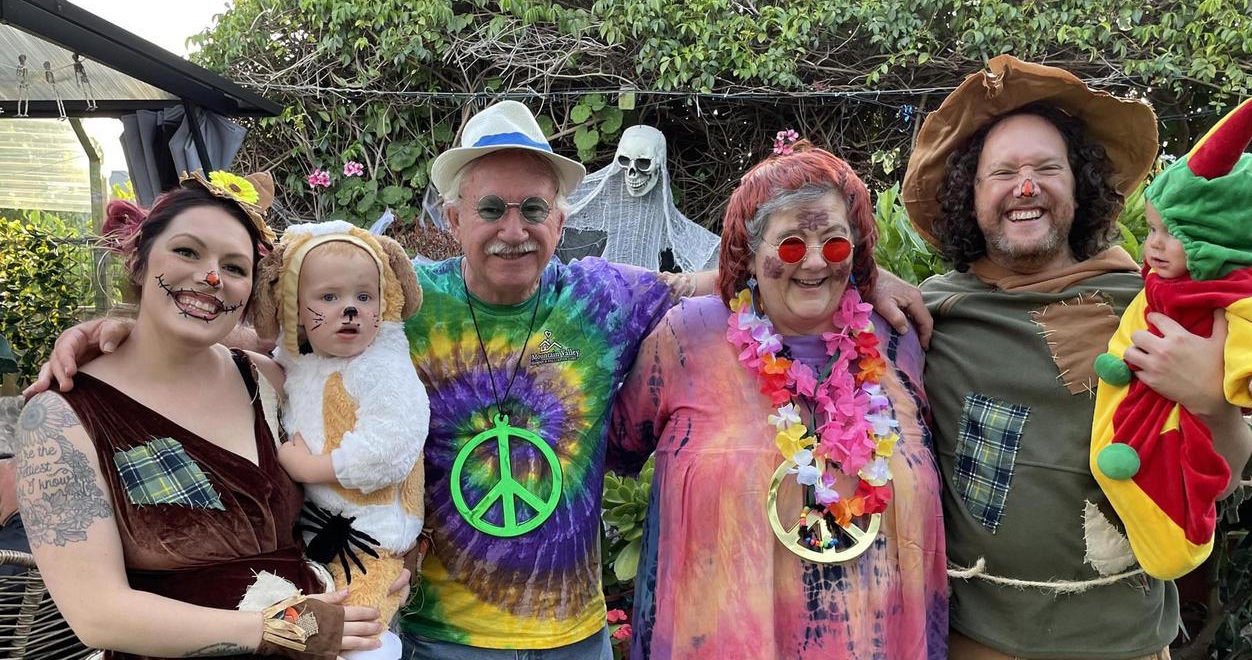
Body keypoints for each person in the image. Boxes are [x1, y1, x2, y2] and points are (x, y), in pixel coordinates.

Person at [26, 100, 930, 660]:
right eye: (489, 209)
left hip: (579, 638)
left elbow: (729, 277)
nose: (512, 229)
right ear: (451, 218)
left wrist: (861, 273)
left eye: (534, 209)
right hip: (441, 641)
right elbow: (276, 316)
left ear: (561, 216)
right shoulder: (398, 305)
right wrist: (121, 328)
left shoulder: (609, 298)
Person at [897, 55, 1252, 660]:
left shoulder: (1152, 309)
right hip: (977, 641)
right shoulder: (932, 314)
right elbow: (803, 310)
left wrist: (1210, 403)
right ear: (970, 193)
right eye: (1002, 172)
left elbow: (1223, 473)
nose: (1027, 185)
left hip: (1128, 643)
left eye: (1048, 167)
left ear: (1080, 184)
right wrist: (869, 280)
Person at [16, 171, 388, 659]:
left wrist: (384, 565)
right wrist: (278, 627)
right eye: (188, 252)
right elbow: (98, 614)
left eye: (234, 267)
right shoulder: (60, 420)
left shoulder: (268, 382)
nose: (211, 278)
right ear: (139, 261)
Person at [609, 139, 947, 659]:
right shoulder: (685, 338)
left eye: (835, 245)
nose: (814, 263)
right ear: (748, 252)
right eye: (790, 245)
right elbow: (614, 446)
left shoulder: (898, 338)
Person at [1091, 77, 1252, 581]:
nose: (1153, 245)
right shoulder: (941, 303)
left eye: (1048, 167)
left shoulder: (1230, 296)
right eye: (1150, 229)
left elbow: (1234, 471)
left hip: (1132, 637)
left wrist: (1219, 397)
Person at [251, 220, 432, 660]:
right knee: (304, 633)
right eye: (329, 297)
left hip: (372, 546)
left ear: (384, 301)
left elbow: (389, 450)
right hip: (320, 535)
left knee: (357, 638)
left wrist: (307, 468)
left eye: (363, 297)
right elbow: (256, 357)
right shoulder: (304, 361)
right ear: (294, 308)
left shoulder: (382, 368)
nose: (348, 310)